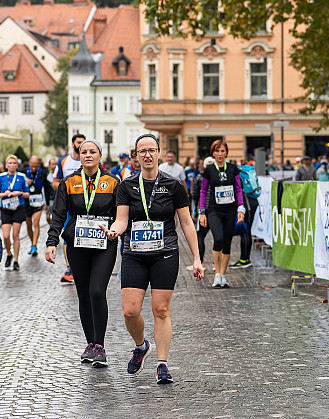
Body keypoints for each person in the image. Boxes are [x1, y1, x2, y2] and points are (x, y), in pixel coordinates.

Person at [102, 134, 204, 384]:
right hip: (135, 255)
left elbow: (187, 223)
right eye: (142, 151)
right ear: (135, 157)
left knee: (161, 309)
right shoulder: (126, 186)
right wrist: (115, 230)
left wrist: (198, 258)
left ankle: (162, 364)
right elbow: (122, 218)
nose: (147, 155)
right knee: (129, 311)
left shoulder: (174, 185)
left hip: (165, 253)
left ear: (159, 153)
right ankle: (140, 346)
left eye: (151, 150)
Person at [46, 139, 119, 367]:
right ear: (79, 155)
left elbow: (121, 214)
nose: (87, 155)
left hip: (103, 245)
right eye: (83, 151)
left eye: (92, 152)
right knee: (83, 294)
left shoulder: (113, 182)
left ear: (100, 156)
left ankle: (100, 345)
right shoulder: (69, 182)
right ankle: (90, 344)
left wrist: (116, 231)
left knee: (97, 291)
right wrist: (51, 242)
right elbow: (58, 214)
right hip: (77, 244)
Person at [198, 140, 245, 288]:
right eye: (217, 151)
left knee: (227, 242)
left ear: (226, 153)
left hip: (230, 210)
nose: (220, 154)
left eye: (222, 151)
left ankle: (223, 276)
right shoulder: (209, 170)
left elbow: (238, 188)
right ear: (213, 153)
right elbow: (203, 191)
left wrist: (241, 208)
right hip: (214, 210)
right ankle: (217, 274)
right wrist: (202, 212)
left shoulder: (233, 169)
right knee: (217, 238)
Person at [53, 133, 86, 283]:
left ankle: (83, 264)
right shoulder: (64, 161)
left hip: (86, 205)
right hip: (69, 205)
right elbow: (55, 182)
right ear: (73, 144)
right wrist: (65, 190)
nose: (81, 145)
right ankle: (69, 267)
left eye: (83, 143)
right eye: (79, 142)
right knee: (68, 235)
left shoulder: (89, 160)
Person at [0, 155, 29, 270]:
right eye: (10, 163)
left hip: (18, 208)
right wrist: (4, 194)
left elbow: (27, 194)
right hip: (5, 208)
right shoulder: (1, 176)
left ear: (17, 165)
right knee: (5, 236)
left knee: (15, 235)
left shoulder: (22, 176)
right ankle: (9, 254)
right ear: (6, 165)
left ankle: (16, 260)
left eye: (14, 163)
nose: (12, 165)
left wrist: (19, 193)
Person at [24, 155, 52, 257]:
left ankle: (34, 245)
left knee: (36, 223)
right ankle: (32, 243)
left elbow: (47, 188)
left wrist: (48, 203)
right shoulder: (24, 172)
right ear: (29, 164)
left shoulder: (43, 172)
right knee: (28, 224)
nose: (34, 169)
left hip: (38, 201)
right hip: (27, 201)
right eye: (32, 166)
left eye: (36, 166)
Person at [46, 158, 57, 226]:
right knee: (48, 217)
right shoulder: (46, 175)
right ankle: (52, 226)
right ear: (49, 165)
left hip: (58, 198)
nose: (54, 166)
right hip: (50, 198)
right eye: (53, 164)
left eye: (55, 164)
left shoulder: (59, 174)